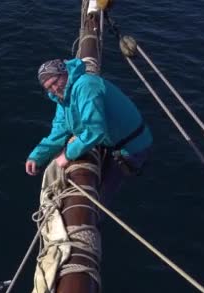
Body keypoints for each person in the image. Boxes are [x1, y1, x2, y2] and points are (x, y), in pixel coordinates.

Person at [25, 58, 152, 205]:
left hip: (131, 149)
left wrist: (67, 155)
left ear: (65, 73)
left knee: (96, 203)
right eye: (49, 87)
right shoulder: (62, 97)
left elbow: (95, 130)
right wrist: (37, 156)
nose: (54, 89)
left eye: (55, 81)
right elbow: (60, 129)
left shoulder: (86, 86)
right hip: (110, 143)